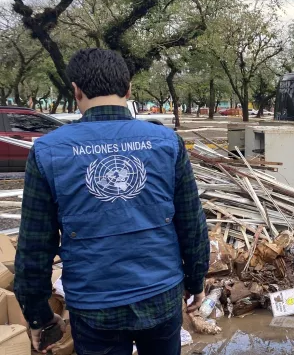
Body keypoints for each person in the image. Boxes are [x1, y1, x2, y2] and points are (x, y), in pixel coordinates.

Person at [14, 48, 210, 355]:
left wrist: (38, 316)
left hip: (94, 307)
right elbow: (192, 222)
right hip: (160, 296)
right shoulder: (167, 142)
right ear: (129, 89)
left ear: (76, 91)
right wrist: (196, 280)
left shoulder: (48, 150)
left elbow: (34, 245)